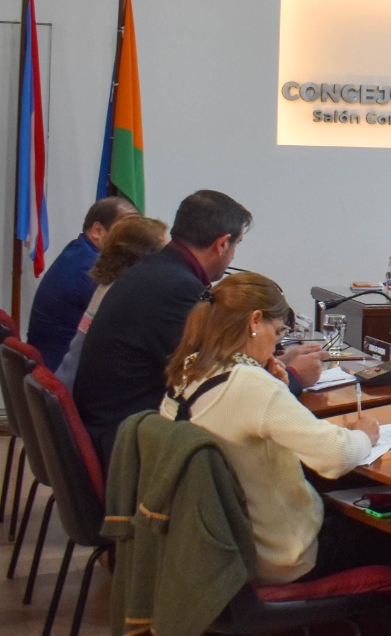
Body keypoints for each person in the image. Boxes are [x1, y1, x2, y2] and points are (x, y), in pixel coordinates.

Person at [159, 273, 382, 584]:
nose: (276, 345)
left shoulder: (187, 370)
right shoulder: (251, 384)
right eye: (277, 333)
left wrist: (274, 385)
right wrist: (364, 434)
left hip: (214, 547)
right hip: (279, 555)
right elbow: (336, 456)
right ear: (255, 321)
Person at [74, 190, 323, 465]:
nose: (233, 256)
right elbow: (220, 390)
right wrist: (294, 377)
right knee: (274, 462)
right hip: (129, 448)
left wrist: (274, 363)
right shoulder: (178, 289)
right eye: (236, 244)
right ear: (222, 244)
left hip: (113, 426)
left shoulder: (156, 270)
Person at [26, 196, 140, 369]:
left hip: (47, 367)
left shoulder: (78, 249)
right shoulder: (92, 268)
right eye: (126, 232)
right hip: (61, 372)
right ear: (97, 231)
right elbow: (123, 328)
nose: (134, 242)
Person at [56, 215, 168, 389]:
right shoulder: (126, 296)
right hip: (82, 392)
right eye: (165, 253)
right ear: (145, 257)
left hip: (69, 382)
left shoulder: (106, 286)